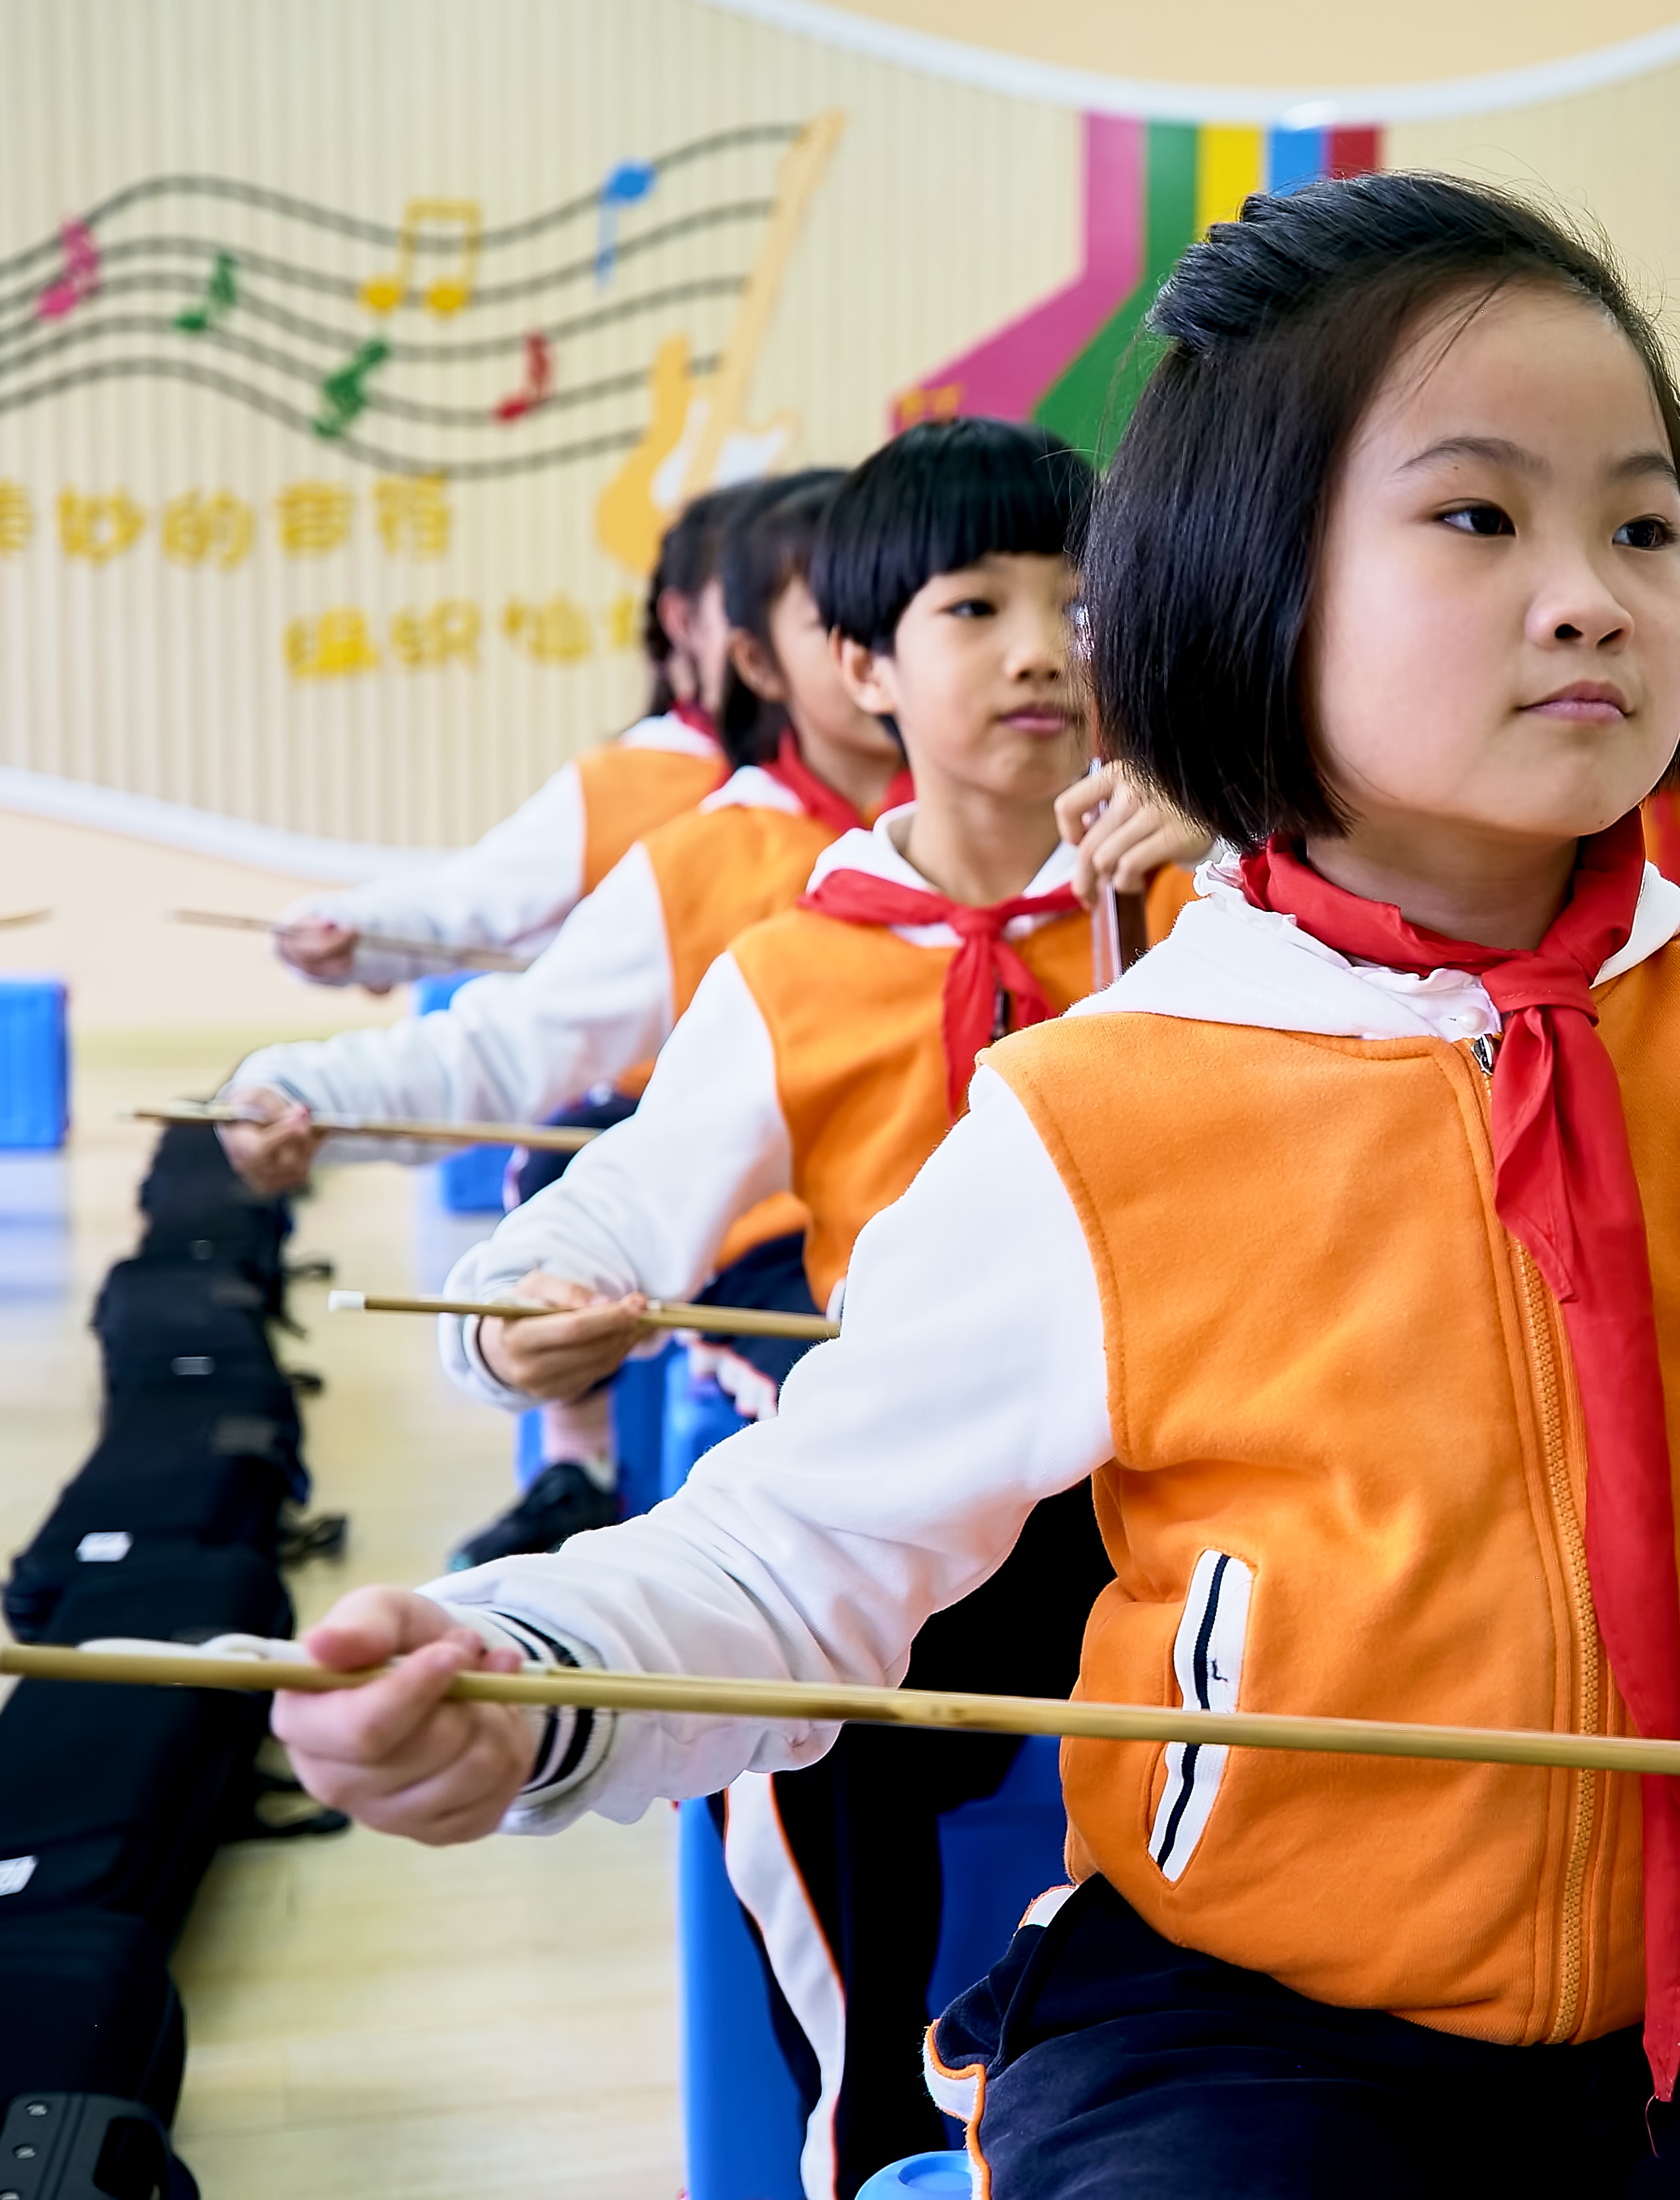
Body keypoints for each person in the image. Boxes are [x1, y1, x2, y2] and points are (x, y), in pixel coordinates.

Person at [268, 170, 1680, 2197]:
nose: (1593, 596)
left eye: (1650, 528)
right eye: (1479, 517)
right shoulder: (1097, 1113)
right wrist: (529, 1666)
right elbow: (808, 1555)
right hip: (1254, 2023)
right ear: (1247, 592)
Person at [438, 419, 1204, 2197]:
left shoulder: (1218, 904)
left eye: (1086, 609)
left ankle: (1077, 2008)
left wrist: (1241, 846)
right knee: (799, 1696)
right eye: (976, 607)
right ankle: (868, 2135)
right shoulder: (793, 962)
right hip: (949, 1513)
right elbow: (616, 1206)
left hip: (1192, 1496)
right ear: (858, 665)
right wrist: (515, 1315)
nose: (1042, 649)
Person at [218, 472, 883, 1556]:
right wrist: (319, 1071)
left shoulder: (1077, 848)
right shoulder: (697, 836)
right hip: (744, 1221)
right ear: (747, 651)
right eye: (848, 616)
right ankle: (579, 1466)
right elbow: (497, 991)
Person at [272, 485, 754, 992]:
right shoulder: (623, 783)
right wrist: (347, 925)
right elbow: (466, 902)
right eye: (756, 601)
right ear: (683, 621)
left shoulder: (832, 781)